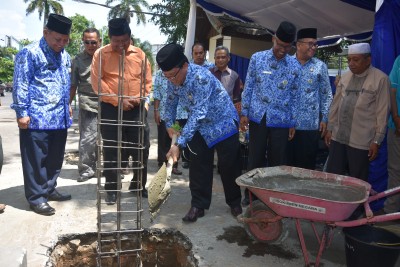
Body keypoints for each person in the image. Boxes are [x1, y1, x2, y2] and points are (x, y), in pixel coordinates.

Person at [156, 43, 243, 222]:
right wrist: (170, 126)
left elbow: (198, 112)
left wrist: (179, 144)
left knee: (228, 165)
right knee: (198, 166)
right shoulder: (172, 79)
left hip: (223, 123)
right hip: (200, 128)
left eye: (173, 75)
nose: (171, 80)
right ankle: (198, 204)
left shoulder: (201, 77)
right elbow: (170, 104)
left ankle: (235, 202)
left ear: (184, 66)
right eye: (167, 77)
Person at [11, 14, 73, 216]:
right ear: (45, 33)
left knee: (55, 159)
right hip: (36, 117)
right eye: (57, 39)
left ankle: (48, 189)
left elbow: (65, 82)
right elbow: (21, 83)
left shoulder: (65, 55)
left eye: (65, 40)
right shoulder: (29, 53)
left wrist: (67, 105)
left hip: (59, 118)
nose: (61, 44)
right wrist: (22, 112)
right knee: (36, 161)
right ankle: (36, 198)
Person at [91, 18, 152, 204]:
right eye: (116, 41)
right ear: (109, 38)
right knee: (111, 149)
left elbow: (147, 82)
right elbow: (96, 83)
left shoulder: (140, 55)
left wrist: (139, 99)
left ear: (129, 37)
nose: (120, 45)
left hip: (136, 109)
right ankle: (112, 188)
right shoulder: (100, 55)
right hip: (110, 109)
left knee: (142, 147)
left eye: (124, 41)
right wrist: (118, 100)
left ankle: (138, 184)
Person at [240, 21, 300, 206]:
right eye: (279, 45)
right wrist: (244, 113)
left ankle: (273, 198)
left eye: (287, 47)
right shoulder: (257, 58)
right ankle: (250, 196)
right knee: (255, 157)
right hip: (258, 117)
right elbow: (248, 87)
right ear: (273, 39)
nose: (282, 50)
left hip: (281, 120)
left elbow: (296, 96)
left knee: (277, 161)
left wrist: (293, 122)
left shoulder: (294, 66)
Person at [325, 43, 390, 181]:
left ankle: (357, 204)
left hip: (361, 141)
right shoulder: (345, 77)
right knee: (332, 178)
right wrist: (330, 129)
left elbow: (382, 112)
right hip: (338, 137)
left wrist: (377, 141)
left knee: (357, 181)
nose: (351, 64)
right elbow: (335, 105)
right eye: (349, 60)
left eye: (356, 60)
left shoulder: (380, 79)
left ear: (368, 60)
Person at [287, 28, 333, 170]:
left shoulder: (320, 66)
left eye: (315, 44)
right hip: (286, 126)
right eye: (310, 44)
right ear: (299, 44)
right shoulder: (285, 64)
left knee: (306, 169)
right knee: (285, 167)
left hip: (310, 127)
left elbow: (326, 95)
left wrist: (325, 118)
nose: (314, 47)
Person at [69, 28, 101, 182]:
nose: (90, 45)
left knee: (110, 138)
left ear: (99, 42)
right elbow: (73, 85)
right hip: (87, 103)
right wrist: (68, 104)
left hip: (108, 103)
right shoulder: (78, 60)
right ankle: (87, 169)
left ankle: (110, 169)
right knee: (88, 139)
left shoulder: (106, 57)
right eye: (87, 42)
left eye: (93, 42)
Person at [153, 69, 183, 175]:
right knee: (163, 138)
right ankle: (162, 163)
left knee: (176, 138)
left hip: (179, 113)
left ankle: (174, 164)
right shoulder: (159, 74)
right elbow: (156, 93)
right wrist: (156, 110)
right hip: (162, 111)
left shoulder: (180, 72)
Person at [383, 54, 400, 214]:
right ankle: (391, 212)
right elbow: (392, 90)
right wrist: (396, 117)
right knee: (395, 170)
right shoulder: (399, 61)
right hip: (397, 127)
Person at [209, 45, 242, 113]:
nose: (220, 60)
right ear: (214, 58)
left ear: (228, 58)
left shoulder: (234, 75)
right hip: (210, 113)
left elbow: (236, 97)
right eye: (218, 57)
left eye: (223, 57)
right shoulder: (208, 74)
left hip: (227, 113)